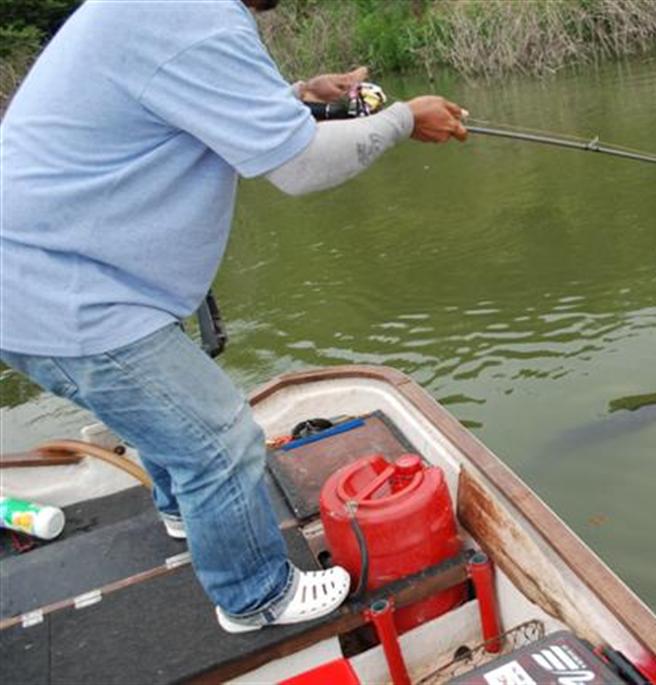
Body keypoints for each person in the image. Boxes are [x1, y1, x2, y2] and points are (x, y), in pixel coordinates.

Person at [0, 0, 467, 633]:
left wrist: (297, 95)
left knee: (168, 413)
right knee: (220, 441)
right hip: (66, 294)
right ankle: (255, 596)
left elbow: (179, 98)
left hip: (56, 280)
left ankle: (180, 512)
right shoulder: (196, 15)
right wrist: (405, 121)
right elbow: (301, 168)